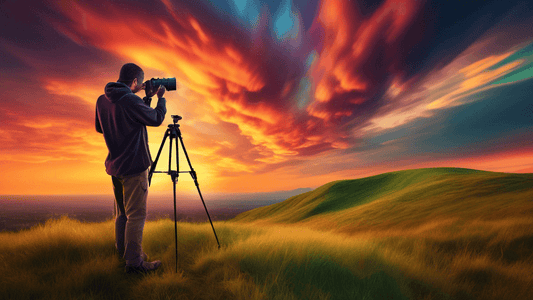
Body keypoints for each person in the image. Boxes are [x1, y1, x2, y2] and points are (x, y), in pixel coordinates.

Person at [95, 63, 167, 274]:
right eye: (140, 83)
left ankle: (123, 253)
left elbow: (100, 127)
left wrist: (143, 101)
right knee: (136, 215)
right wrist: (160, 98)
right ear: (135, 81)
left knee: (123, 214)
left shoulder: (102, 99)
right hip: (134, 167)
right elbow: (156, 118)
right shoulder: (130, 100)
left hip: (115, 165)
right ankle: (134, 264)